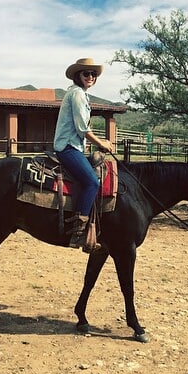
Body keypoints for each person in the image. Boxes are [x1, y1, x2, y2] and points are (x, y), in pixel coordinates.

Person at [54, 57, 113, 252]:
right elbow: (82, 129)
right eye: (86, 73)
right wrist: (102, 143)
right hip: (68, 147)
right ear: (78, 76)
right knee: (92, 182)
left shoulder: (80, 95)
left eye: (93, 74)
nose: (90, 77)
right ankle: (78, 231)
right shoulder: (77, 94)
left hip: (74, 147)